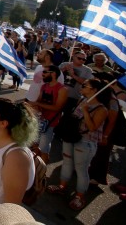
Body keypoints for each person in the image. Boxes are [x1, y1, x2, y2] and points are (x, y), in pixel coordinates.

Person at [47, 78, 109, 210]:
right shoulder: (82, 99)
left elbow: (92, 127)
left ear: (94, 90)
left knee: (81, 169)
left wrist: (86, 111)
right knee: (67, 162)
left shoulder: (101, 109)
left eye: (85, 85)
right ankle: (62, 186)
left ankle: (80, 196)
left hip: (85, 141)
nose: (82, 87)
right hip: (71, 136)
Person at [28, 65, 68, 163]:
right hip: (40, 119)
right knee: (34, 145)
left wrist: (37, 103)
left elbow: (57, 107)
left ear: (53, 74)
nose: (43, 75)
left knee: (43, 148)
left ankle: (43, 170)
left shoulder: (62, 89)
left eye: (45, 72)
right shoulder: (44, 86)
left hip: (50, 122)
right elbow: (39, 101)